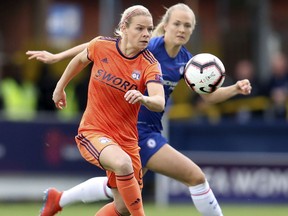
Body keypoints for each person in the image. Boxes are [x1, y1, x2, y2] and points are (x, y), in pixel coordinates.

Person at [27, 3, 252, 216]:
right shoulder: (149, 47)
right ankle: (59, 199)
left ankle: (58, 199)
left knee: (121, 198)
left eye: (188, 26)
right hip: (137, 130)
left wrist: (234, 89)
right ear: (165, 25)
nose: (182, 29)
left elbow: (207, 94)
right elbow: (95, 48)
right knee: (195, 177)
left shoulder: (187, 62)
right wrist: (58, 56)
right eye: (177, 23)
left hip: (146, 131)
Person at [33, 5, 165, 216]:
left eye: (149, 29)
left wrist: (144, 98)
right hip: (94, 131)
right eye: (140, 28)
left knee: (122, 208)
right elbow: (79, 60)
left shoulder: (150, 64)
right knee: (122, 164)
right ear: (124, 27)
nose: (146, 34)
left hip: (127, 141)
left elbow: (159, 101)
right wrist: (60, 88)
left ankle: (58, 200)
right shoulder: (101, 46)